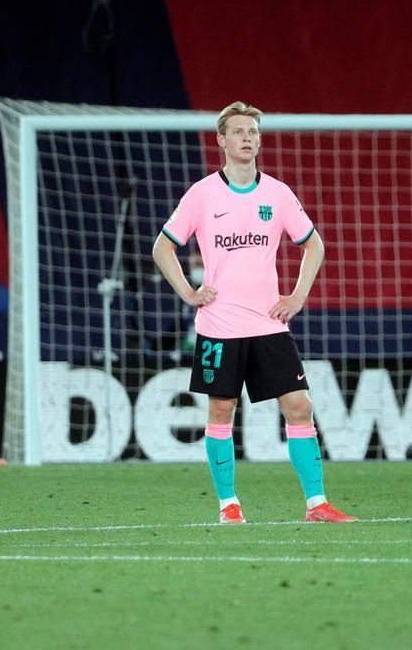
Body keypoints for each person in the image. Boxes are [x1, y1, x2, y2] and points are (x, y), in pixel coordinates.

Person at [151, 101, 356, 524]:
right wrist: (189, 292)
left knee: (300, 407)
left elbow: (314, 244)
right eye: (240, 131)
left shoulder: (277, 194)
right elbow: (162, 247)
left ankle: (316, 504)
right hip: (219, 327)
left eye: (254, 132)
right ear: (222, 140)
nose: (248, 138)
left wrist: (297, 296)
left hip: (269, 324)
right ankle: (229, 505)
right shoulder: (202, 194)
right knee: (221, 412)